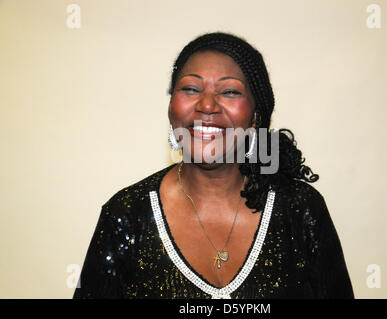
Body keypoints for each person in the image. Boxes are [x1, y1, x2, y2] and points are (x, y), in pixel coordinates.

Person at [73, 32, 354, 299]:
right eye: (191, 89)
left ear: (256, 116)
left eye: (230, 92)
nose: (207, 105)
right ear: (172, 109)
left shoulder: (300, 209)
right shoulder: (126, 215)